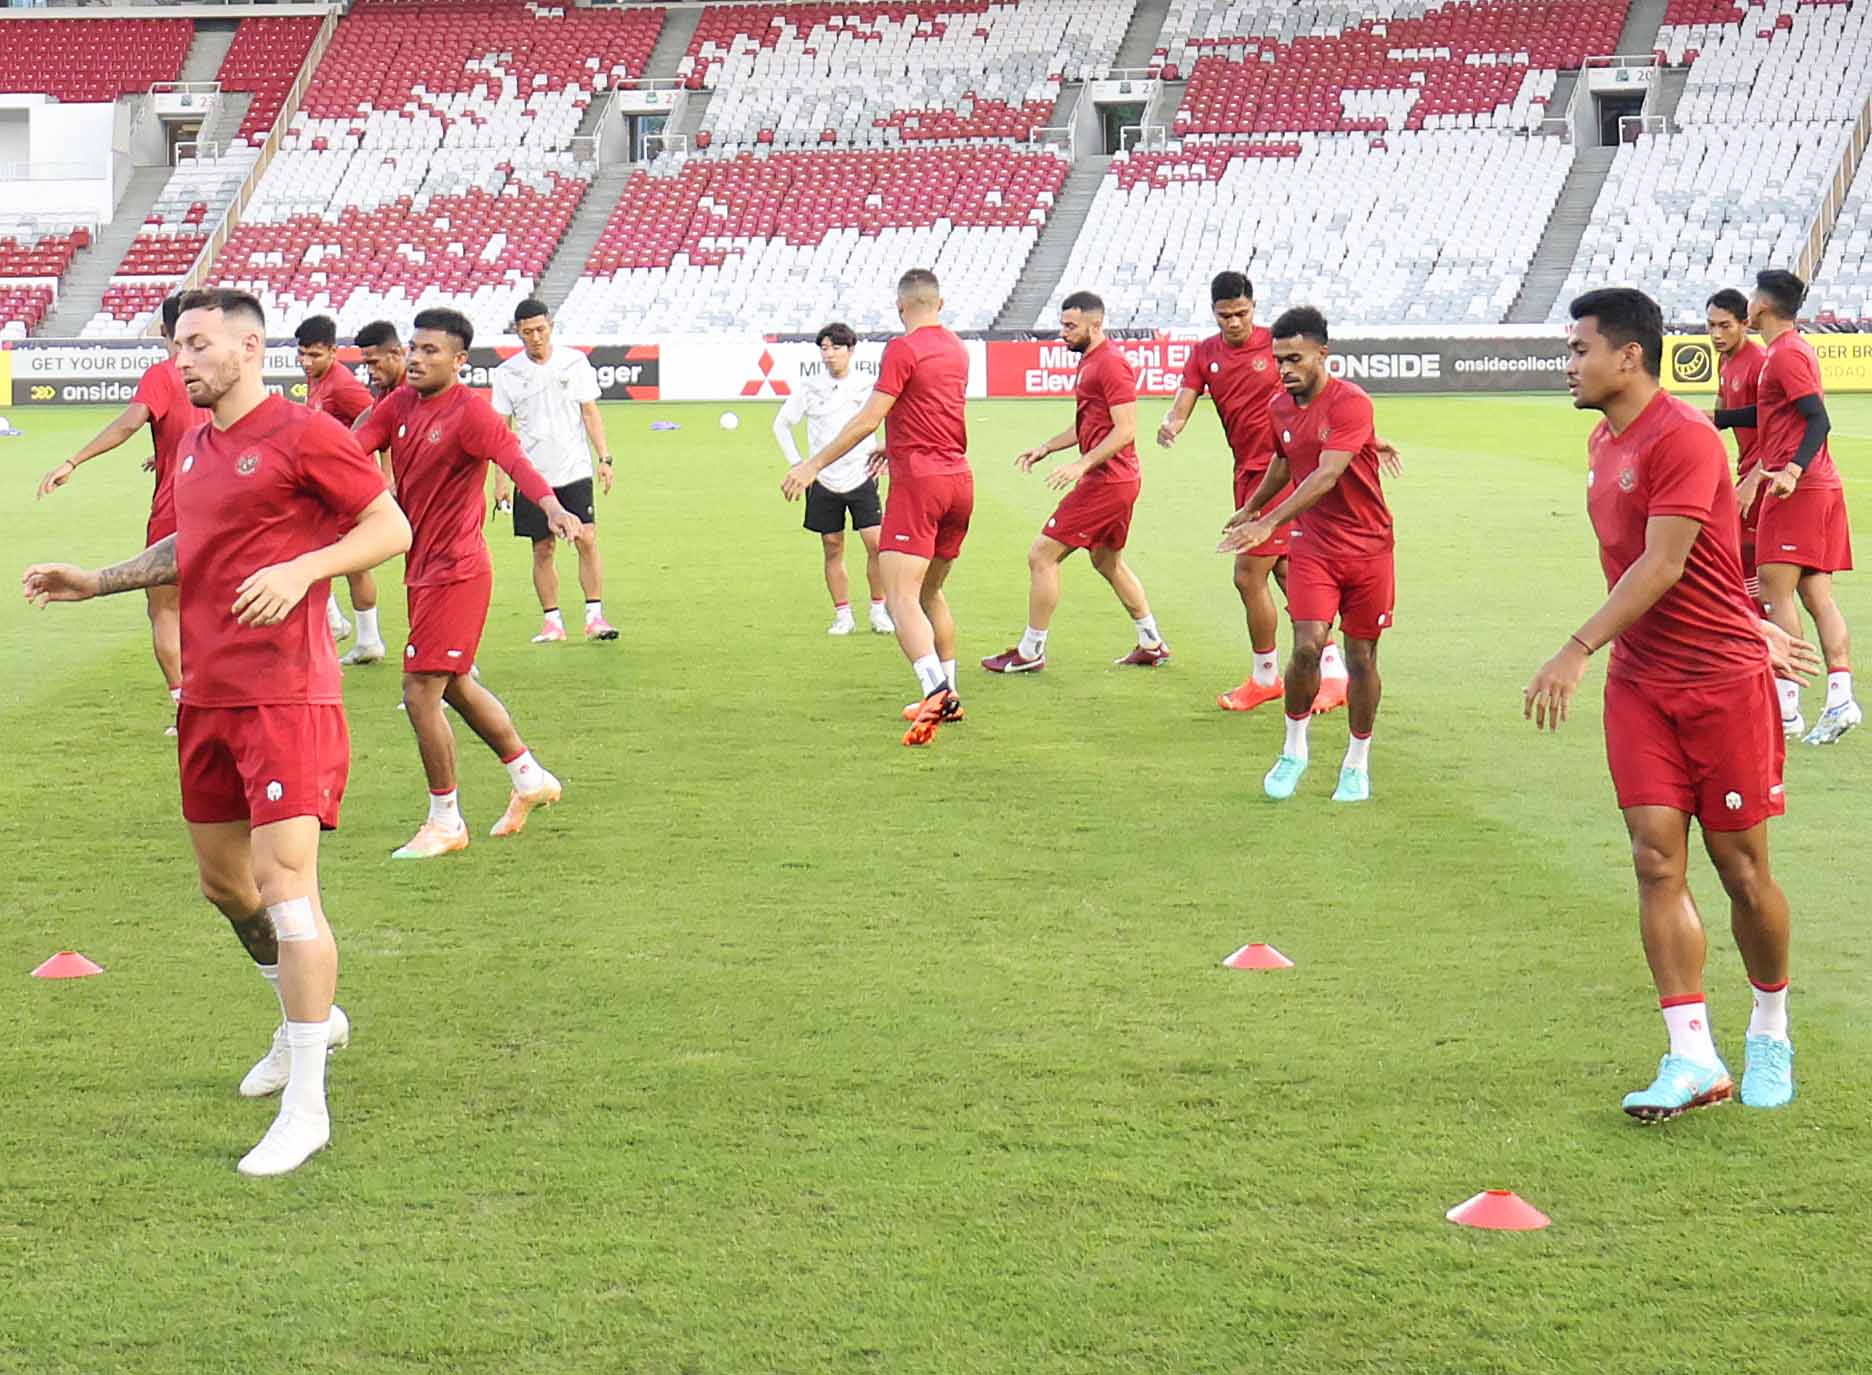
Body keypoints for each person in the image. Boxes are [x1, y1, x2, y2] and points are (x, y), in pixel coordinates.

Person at [22, 288, 412, 1175]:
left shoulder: (306, 432)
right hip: (207, 695)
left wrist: (304, 567)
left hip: (286, 697)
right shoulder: (194, 445)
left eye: (196, 343)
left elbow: (390, 524)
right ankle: (304, 1017)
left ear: (250, 346)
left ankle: (308, 1104)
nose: (181, 358)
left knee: (284, 885)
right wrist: (101, 579)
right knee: (224, 887)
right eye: (174, 343)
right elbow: (188, 549)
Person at [1525, 286, 1822, 1120]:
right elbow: (1687, 564)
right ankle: (1693, 1055)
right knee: (1656, 858)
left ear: (1628, 355)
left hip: (1721, 686)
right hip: (1645, 685)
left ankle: (1770, 1023)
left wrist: (1576, 648)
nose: (1568, 366)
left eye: (1578, 350)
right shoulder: (1600, 438)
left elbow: (1661, 564)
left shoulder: (1685, 437)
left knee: (1742, 869)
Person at [352, 307, 582, 858]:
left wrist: (550, 506)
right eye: (413, 347)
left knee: (418, 692)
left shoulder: (471, 415)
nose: (416, 358)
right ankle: (530, 778)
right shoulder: (397, 406)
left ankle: (446, 821)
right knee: (453, 684)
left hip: (458, 571)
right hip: (422, 569)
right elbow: (348, 449)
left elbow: (515, 459)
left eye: (431, 351)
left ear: (459, 361)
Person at [782, 269, 973, 746]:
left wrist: (813, 465)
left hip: (920, 484)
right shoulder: (957, 348)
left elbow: (869, 417)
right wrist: (899, 445)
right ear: (940, 303)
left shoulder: (902, 349)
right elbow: (935, 409)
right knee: (931, 592)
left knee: (900, 594)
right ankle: (951, 692)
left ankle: (933, 691)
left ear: (899, 305)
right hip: (959, 479)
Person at [1220, 307, 1393, 804]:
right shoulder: (1281, 406)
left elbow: (1324, 474)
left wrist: (1268, 521)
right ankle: (1294, 749)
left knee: (1361, 656)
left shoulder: (1351, 404)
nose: (1285, 369)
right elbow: (1283, 458)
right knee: (1306, 645)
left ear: (1323, 354)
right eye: (1278, 360)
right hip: (1314, 544)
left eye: (1295, 358)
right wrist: (1251, 506)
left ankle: (1356, 762)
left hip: (1368, 546)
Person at [1158, 272, 1349, 714]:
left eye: (1241, 313)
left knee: (1247, 574)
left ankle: (1266, 677)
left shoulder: (1278, 346)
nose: (1234, 323)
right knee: (1287, 572)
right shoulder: (1205, 353)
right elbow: (1184, 399)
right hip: (1249, 474)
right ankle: (1336, 670)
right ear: (1214, 313)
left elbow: (1326, 393)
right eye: (1225, 315)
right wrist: (1173, 423)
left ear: (1253, 307)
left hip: (1284, 471)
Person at [35, 292, 206, 731]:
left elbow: (131, 421)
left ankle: (185, 704)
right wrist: (166, 451)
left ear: (166, 331)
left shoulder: (164, 374)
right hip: (226, 509)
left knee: (164, 608)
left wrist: (73, 461)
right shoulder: (219, 372)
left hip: (177, 509)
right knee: (218, 607)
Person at [985, 291, 1168, 672]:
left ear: (1095, 324)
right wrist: (1047, 447)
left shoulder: (1111, 365)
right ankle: (1151, 642)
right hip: (1117, 479)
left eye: (1071, 326)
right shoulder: (1091, 361)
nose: (1062, 333)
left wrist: (1081, 465)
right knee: (1107, 561)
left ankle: (1030, 652)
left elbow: (1126, 429)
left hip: (1108, 480)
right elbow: (1089, 423)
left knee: (1041, 555)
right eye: (1062, 324)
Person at [1740, 270, 1859, 745]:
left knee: (1774, 591)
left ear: (1761, 306)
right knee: (1816, 596)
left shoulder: (1785, 353)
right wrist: (1716, 417)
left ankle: (1787, 707)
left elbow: (1817, 419)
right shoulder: (1791, 351)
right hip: (1820, 488)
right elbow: (1774, 413)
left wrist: (1791, 470)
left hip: (1798, 490)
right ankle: (1840, 697)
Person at [490, 298, 619, 644]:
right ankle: (552, 622)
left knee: (586, 539)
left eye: (541, 329)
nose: (536, 337)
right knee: (543, 548)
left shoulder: (574, 362)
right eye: (528, 331)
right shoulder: (507, 374)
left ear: (551, 327)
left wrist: (605, 458)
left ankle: (595, 617)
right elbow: (501, 430)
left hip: (574, 468)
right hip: (532, 475)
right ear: (518, 332)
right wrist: (500, 481)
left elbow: (590, 413)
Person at [772, 321, 893, 637]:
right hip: (823, 478)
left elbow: (891, 417)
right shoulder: (809, 387)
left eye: (835, 348)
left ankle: (878, 610)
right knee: (832, 545)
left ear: (850, 350)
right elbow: (781, 425)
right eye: (824, 348)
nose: (829, 355)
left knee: (876, 545)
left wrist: (887, 453)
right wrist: (799, 464)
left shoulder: (868, 385)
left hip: (862, 473)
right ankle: (843, 615)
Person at [296, 314, 389, 664]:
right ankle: (359, 635)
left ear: (334, 352)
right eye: (302, 354)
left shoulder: (343, 386)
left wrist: (385, 477)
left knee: (349, 560)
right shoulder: (318, 381)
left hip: (348, 488)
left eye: (314, 355)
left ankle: (352, 631)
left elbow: (380, 421)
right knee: (325, 553)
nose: (306, 362)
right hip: (328, 487)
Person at [1706, 288, 1768, 601]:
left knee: (1745, 558)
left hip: (1765, 473)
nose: (1716, 334)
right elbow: (1718, 416)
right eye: (1711, 326)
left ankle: (1758, 634)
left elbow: (1779, 425)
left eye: (1725, 326)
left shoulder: (1759, 363)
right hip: (1747, 472)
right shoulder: (1724, 362)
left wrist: (1754, 479)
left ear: (1745, 323)